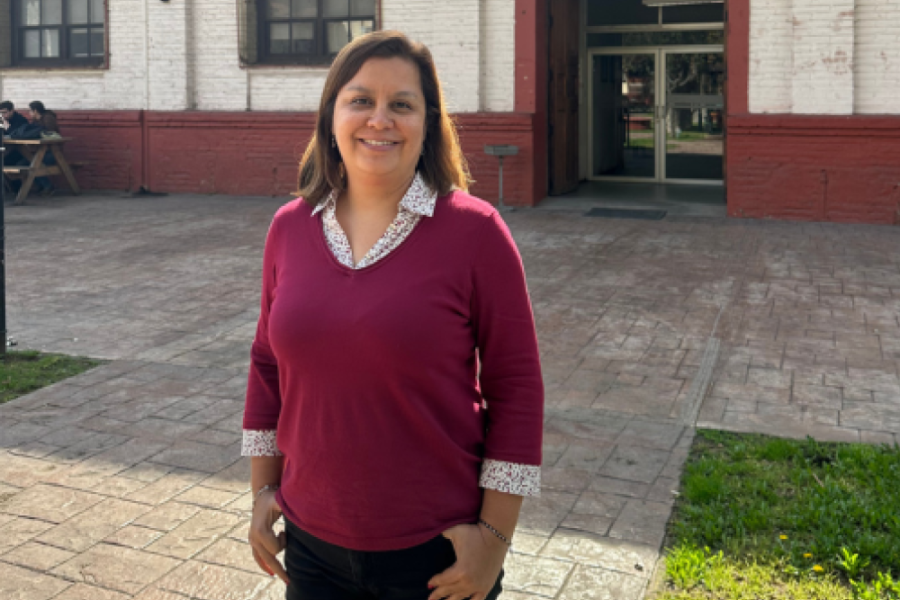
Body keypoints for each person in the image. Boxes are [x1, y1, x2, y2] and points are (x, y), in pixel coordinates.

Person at [242, 30, 544, 600]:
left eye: (401, 104)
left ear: (428, 123)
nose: (379, 119)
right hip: (310, 549)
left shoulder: (476, 232)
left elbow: (518, 388)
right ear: (331, 116)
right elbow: (266, 365)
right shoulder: (289, 228)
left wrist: (494, 540)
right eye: (360, 100)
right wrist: (262, 492)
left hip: (437, 557)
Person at [27, 101, 59, 196]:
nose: (29, 113)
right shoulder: (35, 121)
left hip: (53, 152)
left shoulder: (48, 118)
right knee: (25, 162)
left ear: (35, 111)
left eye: (30, 111)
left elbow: (49, 133)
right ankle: (41, 185)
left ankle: (48, 186)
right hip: (38, 151)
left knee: (34, 164)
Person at [1, 101, 28, 167]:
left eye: (5, 112)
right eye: (1, 113)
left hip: (19, 151)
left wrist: (7, 127)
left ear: (12, 111)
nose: (3, 115)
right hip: (5, 148)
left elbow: (17, 135)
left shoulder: (21, 120)